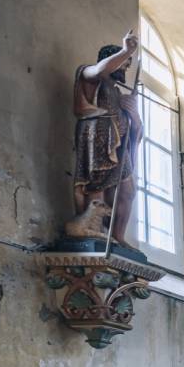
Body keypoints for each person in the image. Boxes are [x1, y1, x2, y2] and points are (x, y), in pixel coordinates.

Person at [67, 30, 142, 245]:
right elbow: (99, 70)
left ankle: (117, 235)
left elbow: (135, 130)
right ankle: (94, 230)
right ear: (111, 60)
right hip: (97, 140)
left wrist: (134, 116)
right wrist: (126, 50)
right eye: (124, 64)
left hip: (118, 145)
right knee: (96, 187)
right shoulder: (89, 75)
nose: (126, 68)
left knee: (128, 191)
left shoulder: (117, 93)